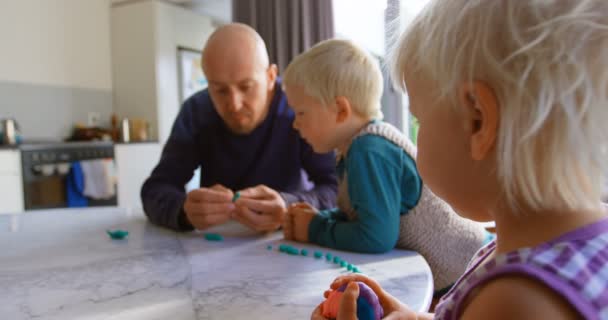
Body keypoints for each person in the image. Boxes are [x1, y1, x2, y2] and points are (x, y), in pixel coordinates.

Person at [313, 0, 608, 319]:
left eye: (419, 120)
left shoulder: (516, 302)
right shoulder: (555, 248)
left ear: (478, 120)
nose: (416, 134)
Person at [281, 39, 493, 293]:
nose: (295, 124)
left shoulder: (369, 151)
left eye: (301, 113)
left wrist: (314, 229)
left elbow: (376, 237)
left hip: (469, 273)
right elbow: (363, 215)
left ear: (340, 109)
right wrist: (319, 218)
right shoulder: (354, 148)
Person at [141, 23, 338, 233]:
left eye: (246, 87)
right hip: (215, 243)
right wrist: (183, 210)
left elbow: (337, 187)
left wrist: (289, 204)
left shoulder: (298, 109)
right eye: (220, 90)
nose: (234, 104)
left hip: (287, 239)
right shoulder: (196, 112)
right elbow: (155, 189)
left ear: (271, 77)